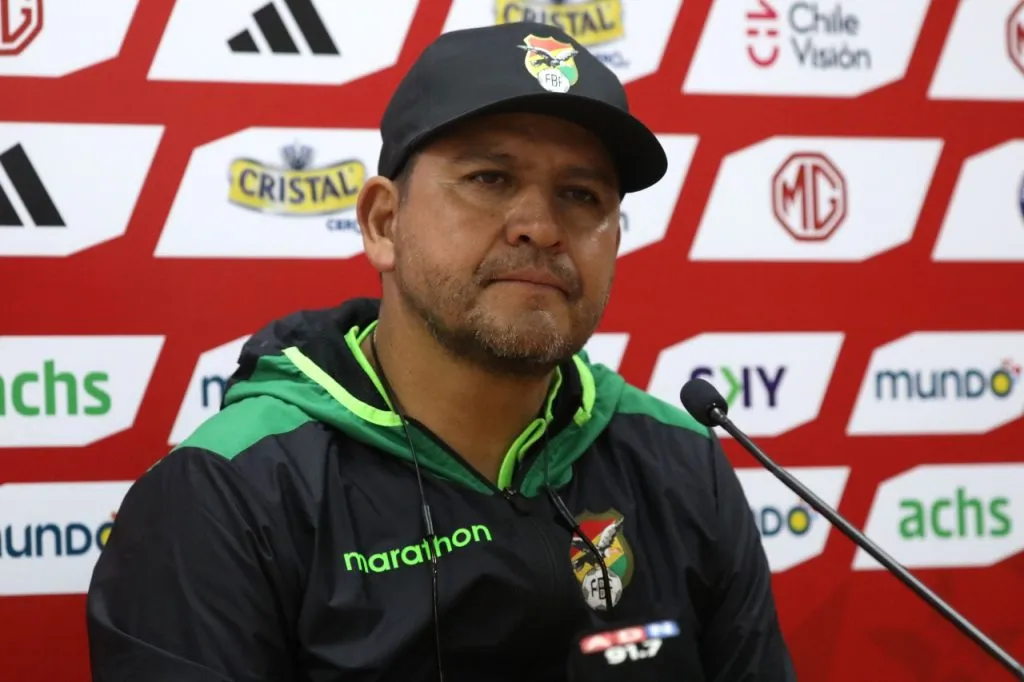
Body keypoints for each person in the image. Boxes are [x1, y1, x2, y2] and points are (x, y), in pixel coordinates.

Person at [86, 21, 797, 682]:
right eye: (491, 180)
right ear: (383, 223)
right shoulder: (226, 493)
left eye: (581, 195)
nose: (541, 227)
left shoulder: (680, 459)